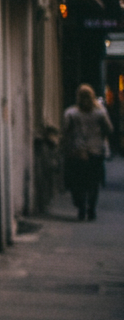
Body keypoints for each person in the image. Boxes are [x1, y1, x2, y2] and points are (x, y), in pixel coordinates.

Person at [63, 83, 113, 221]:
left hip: (78, 152)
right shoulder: (100, 113)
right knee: (93, 183)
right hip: (96, 151)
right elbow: (109, 129)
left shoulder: (71, 113)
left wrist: (67, 146)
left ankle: (81, 206)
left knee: (78, 182)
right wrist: (101, 137)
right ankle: (91, 209)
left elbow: (66, 131)